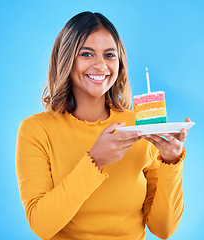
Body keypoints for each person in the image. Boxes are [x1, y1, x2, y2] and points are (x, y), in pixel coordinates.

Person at [15, 11, 190, 240]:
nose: (101, 65)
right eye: (87, 54)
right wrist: (94, 161)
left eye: (109, 55)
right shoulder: (35, 131)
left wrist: (171, 162)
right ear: (66, 59)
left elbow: (163, 229)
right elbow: (42, 226)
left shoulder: (140, 126)